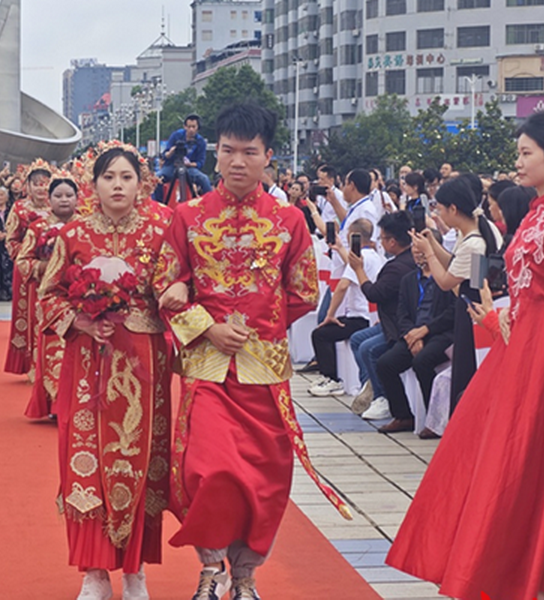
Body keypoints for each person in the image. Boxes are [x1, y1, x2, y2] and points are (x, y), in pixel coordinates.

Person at [387, 110, 544, 600]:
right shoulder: (533, 212)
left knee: (526, 453)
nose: (518, 162)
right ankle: (502, 564)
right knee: (485, 449)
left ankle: (531, 571)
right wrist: (505, 315)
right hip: (515, 337)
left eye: (526, 153)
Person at [154, 103, 351, 600]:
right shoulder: (187, 217)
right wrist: (207, 327)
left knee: (264, 478)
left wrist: (258, 330)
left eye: (249, 152)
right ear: (215, 154)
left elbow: (303, 291)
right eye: (228, 151)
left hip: (263, 371)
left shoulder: (289, 220)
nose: (237, 161)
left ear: (268, 156)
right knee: (208, 469)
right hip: (207, 370)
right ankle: (210, 567)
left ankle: (244, 576)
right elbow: (164, 285)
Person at [39, 144, 171, 600]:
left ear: (141, 183)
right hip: (87, 364)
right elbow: (48, 295)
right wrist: (80, 320)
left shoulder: (160, 232)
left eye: (126, 177)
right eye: (109, 177)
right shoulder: (72, 234)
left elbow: (175, 290)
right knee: (86, 459)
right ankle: (94, 572)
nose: (118, 185)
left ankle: (135, 571)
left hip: (142, 363)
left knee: (140, 459)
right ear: (92, 184)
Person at [410, 177, 501, 412]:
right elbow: (458, 267)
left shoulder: (473, 243)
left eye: (440, 209)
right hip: (473, 306)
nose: (438, 215)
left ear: (453, 208)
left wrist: (428, 252)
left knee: (467, 370)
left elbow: (445, 281)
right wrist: (432, 243)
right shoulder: (476, 231)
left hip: (470, 311)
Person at [374, 237, 455, 434]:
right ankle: (403, 416)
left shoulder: (447, 278)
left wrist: (426, 330)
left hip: (440, 333)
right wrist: (412, 334)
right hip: (413, 333)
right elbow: (401, 313)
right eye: (414, 250)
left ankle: (434, 420)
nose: (417, 254)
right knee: (385, 363)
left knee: (422, 362)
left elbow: (452, 313)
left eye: (421, 249)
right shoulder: (409, 279)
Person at [345, 212, 417, 417]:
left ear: (392, 242)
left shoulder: (397, 267)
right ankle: (370, 384)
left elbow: (374, 293)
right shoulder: (402, 261)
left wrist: (358, 269)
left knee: (369, 349)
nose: (380, 242)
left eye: (382, 238)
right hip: (390, 321)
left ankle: (382, 396)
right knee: (358, 339)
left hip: (399, 326)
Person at [19, 173, 78, 419]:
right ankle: (54, 404)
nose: (64, 200)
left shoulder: (84, 228)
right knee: (52, 350)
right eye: (58, 195)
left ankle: (75, 401)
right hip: (50, 298)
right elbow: (23, 262)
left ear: (77, 198)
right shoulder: (38, 228)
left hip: (80, 299)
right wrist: (48, 267)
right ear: (49, 199)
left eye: (69, 195)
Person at [309, 218, 385, 397]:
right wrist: (340, 249)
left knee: (320, 334)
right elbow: (354, 269)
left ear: (353, 236)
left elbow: (343, 286)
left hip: (359, 317)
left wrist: (330, 314)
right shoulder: (376, 257)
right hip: (370, 315)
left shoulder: (361, 258)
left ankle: (332, 379)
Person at [4, 159, 52, 376]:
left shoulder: (58, 206)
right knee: (29, 315)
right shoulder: (19, 209)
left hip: (54, 270)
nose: (41, 188)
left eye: (45, 183)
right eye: (36, 184)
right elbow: (11, 241)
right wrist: (31, 253)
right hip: (28, 272)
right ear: (28, 186)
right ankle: (30, 363)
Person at [156, 114, 212, 196]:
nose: (191, 129)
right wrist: (171, 152)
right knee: (156, 178)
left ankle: (209, 201)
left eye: (193, 127)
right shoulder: (176, 135)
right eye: (189, 127)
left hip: (189, 169)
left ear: (198, 127)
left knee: (204, 179)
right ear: (185, 127)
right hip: (172, 167)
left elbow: (200, 162)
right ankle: (159, 201)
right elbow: (165, 155)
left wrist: (190, 164)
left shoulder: (200, 141)